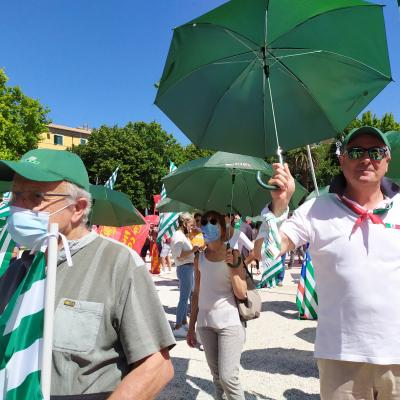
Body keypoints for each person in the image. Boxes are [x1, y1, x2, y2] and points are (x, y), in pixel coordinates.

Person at [0, 149, 175, 399]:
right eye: (16, 195)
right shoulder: (19, 268)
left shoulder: (118, 263)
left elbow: (156, 366)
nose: (18, 207)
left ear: (78, 208)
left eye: (35, 197)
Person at [257, 127, 400, 398]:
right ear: (342, 159)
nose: (366, 159)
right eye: (356, 151)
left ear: (387, 158)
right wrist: (278, 206)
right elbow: (265, 253)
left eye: (376, 151)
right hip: (340, 356)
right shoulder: (316, 209)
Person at [187, 210, 247, 400]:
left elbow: (242, 293)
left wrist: (232, 267)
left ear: (222, 227)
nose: (208, 225)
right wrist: (191, 327)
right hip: (205, 324)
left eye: (214, 222)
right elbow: (196, 293)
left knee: (229, 377)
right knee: (217, 379)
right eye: (204, 222)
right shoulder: (200, 257)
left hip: (229, 323)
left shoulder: (233, 253)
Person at [170, 212, 198, 337]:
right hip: (184, 268)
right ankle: (177, 326)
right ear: (185, 223)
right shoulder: (178, 236)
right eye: (190, 224)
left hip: (187, 268)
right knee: (184, 297)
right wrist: (193, 250)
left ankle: (183, 322)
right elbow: (178, 255)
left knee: (189, 296)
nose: (191, 227)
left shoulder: (181, 235)